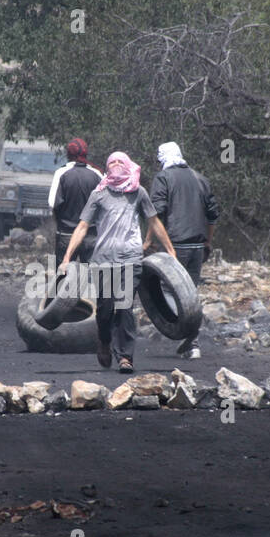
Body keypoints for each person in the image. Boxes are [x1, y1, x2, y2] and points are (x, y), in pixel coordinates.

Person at [59, 152, 174, 373]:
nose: (117, 164)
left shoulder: (138, 192)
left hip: (130, 259)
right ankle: (104, 340)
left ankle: (125, 357)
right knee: (104, 310)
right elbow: (83, 226)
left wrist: (171, 251)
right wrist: (67, 257)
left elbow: (153, 221)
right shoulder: (99, 194)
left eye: (121, 161)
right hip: (103, 260)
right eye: (112, 162)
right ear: (107, 167)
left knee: (124, 307)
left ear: (129, 165)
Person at [145, 142, 220, 360]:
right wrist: (208, 241)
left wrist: (148, 241)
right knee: (191, 292)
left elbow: (155, 213)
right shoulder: (200, 178)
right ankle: (193, 343)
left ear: (164, 159)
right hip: (197, 246)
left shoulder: (163, 178)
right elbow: (213, 216)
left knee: (169, 291)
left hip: (174, 245)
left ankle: (186, 333)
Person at [47, 138, 103, 265]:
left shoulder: (62, 173)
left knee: (62, 277)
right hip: (91, 235)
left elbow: (52, 203)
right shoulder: (97, 174)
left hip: (66, 234)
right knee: (92, 278)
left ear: (68, 154)